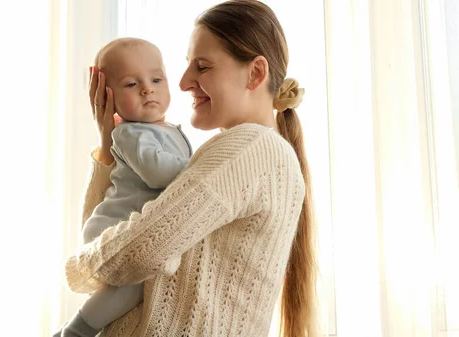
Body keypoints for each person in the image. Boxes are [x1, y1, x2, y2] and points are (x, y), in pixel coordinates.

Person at [63, 0, 318, 336]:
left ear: (255, 73)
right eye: (186, 66)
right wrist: (111, 148)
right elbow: (115, 227)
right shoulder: (235, 154)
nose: (183, 82)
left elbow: (137, 253)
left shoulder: (251, 148)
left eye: (203, 66)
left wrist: (79, 263)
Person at [56, 38, 192, 337]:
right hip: (114, 225)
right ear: (108, 98)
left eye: (156, 79)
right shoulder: (129, 133)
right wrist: (203, 167)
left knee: (142, 282)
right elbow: (159, 174)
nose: (147, 88)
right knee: (133, 285)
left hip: (136, 225)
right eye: (131, 84)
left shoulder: (169, 130)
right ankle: (78, 330)